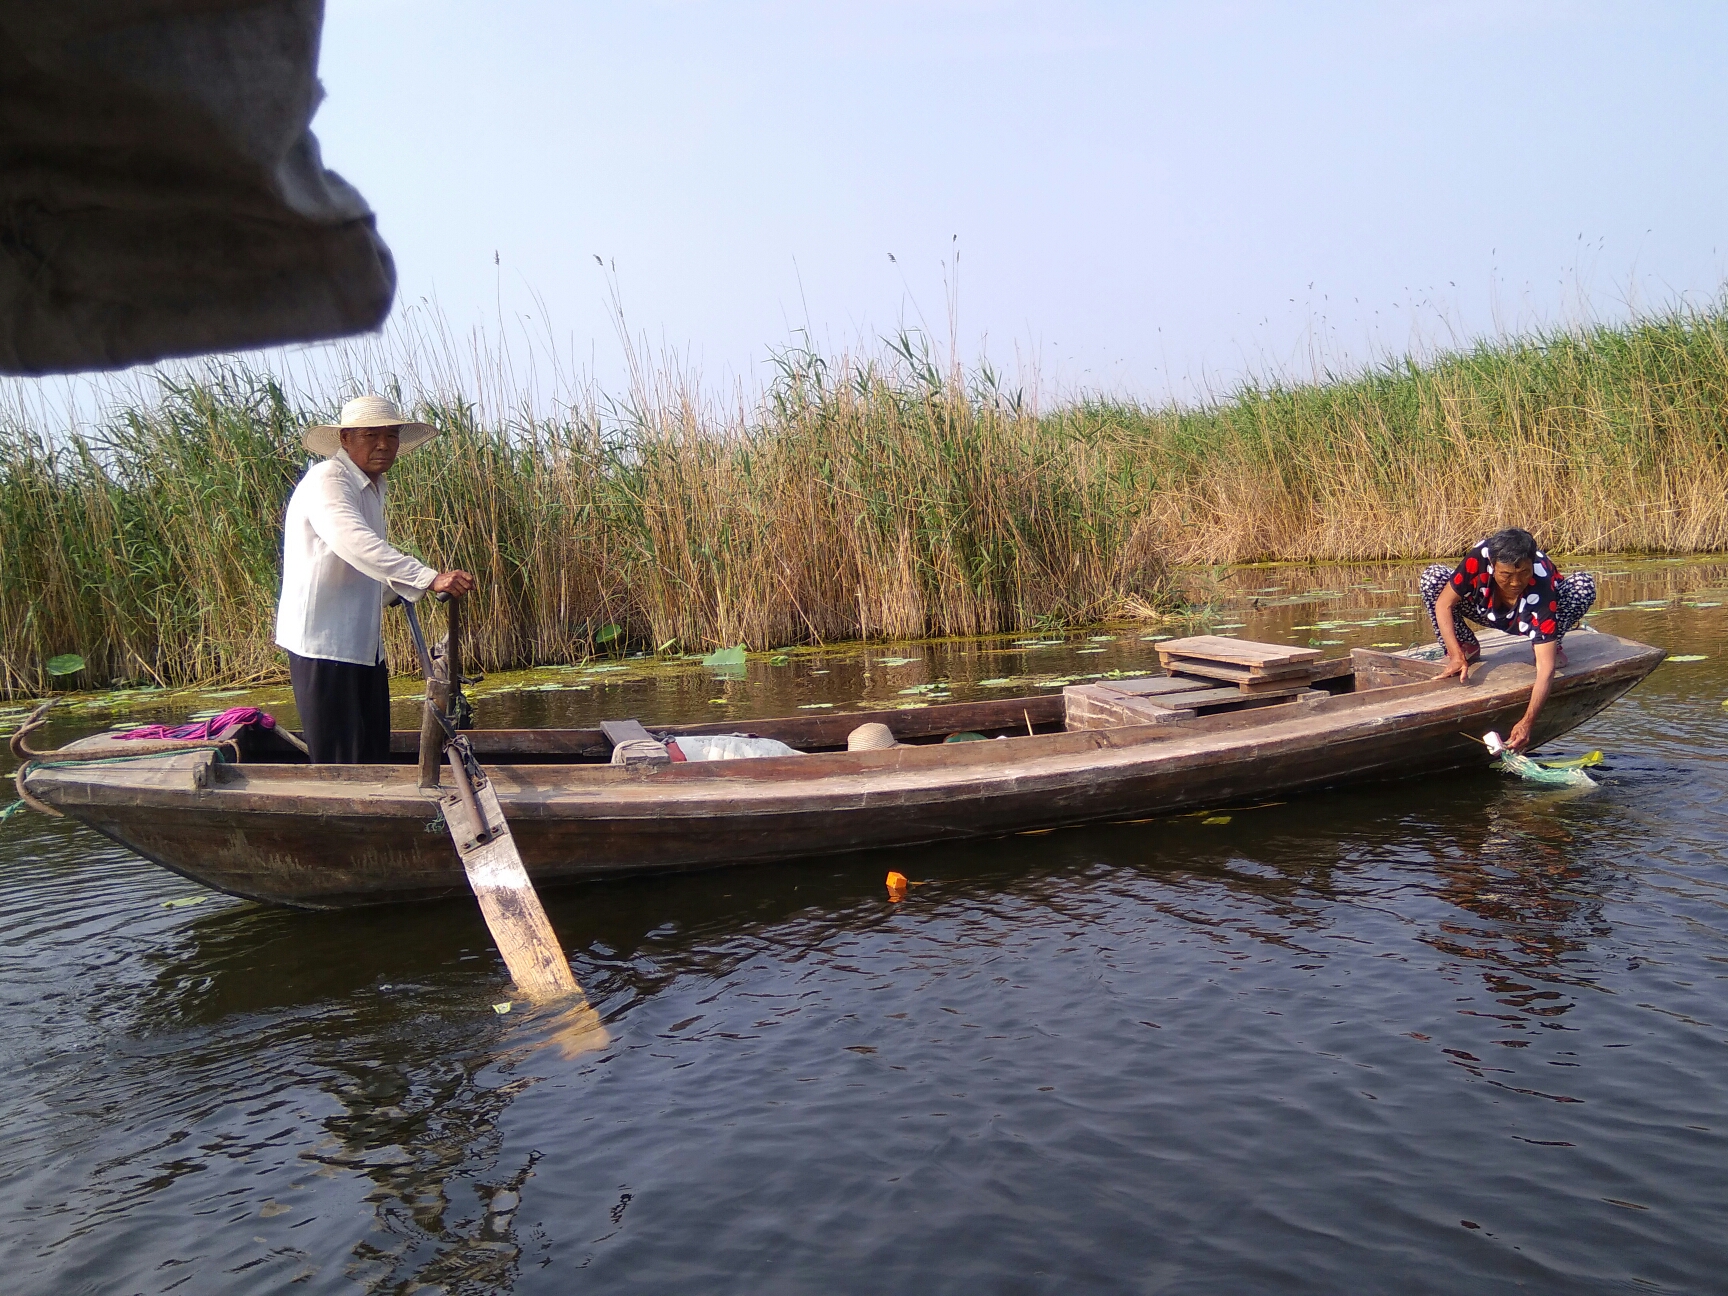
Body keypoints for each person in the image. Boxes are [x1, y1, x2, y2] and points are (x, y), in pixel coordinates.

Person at [274, 395, 475, 762]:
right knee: (341, 762)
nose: (383, 445)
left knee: (371, 753)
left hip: (362, 646)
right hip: (324, 645)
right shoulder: (328, 481)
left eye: (391, 435)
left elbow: (355, 563)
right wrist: (428, 578)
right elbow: (354, 542)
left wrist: (392, 590)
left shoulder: (372, 485)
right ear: (345, 440)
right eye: (370, 435)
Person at [1419, 528, 1596, 752]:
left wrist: (1527, 721)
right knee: (1432, 577)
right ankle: (1466, 646)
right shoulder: (1479, 557)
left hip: (1531, 616)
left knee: (1583, 586)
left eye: (1523, 572)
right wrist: (1455, 655)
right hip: (1487, 609)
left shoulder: (1541, 585)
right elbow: (1444, 604)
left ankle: (1548, 642)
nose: (1515, 582)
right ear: (1492, 564)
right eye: (1506, 575)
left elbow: (1546, 669)